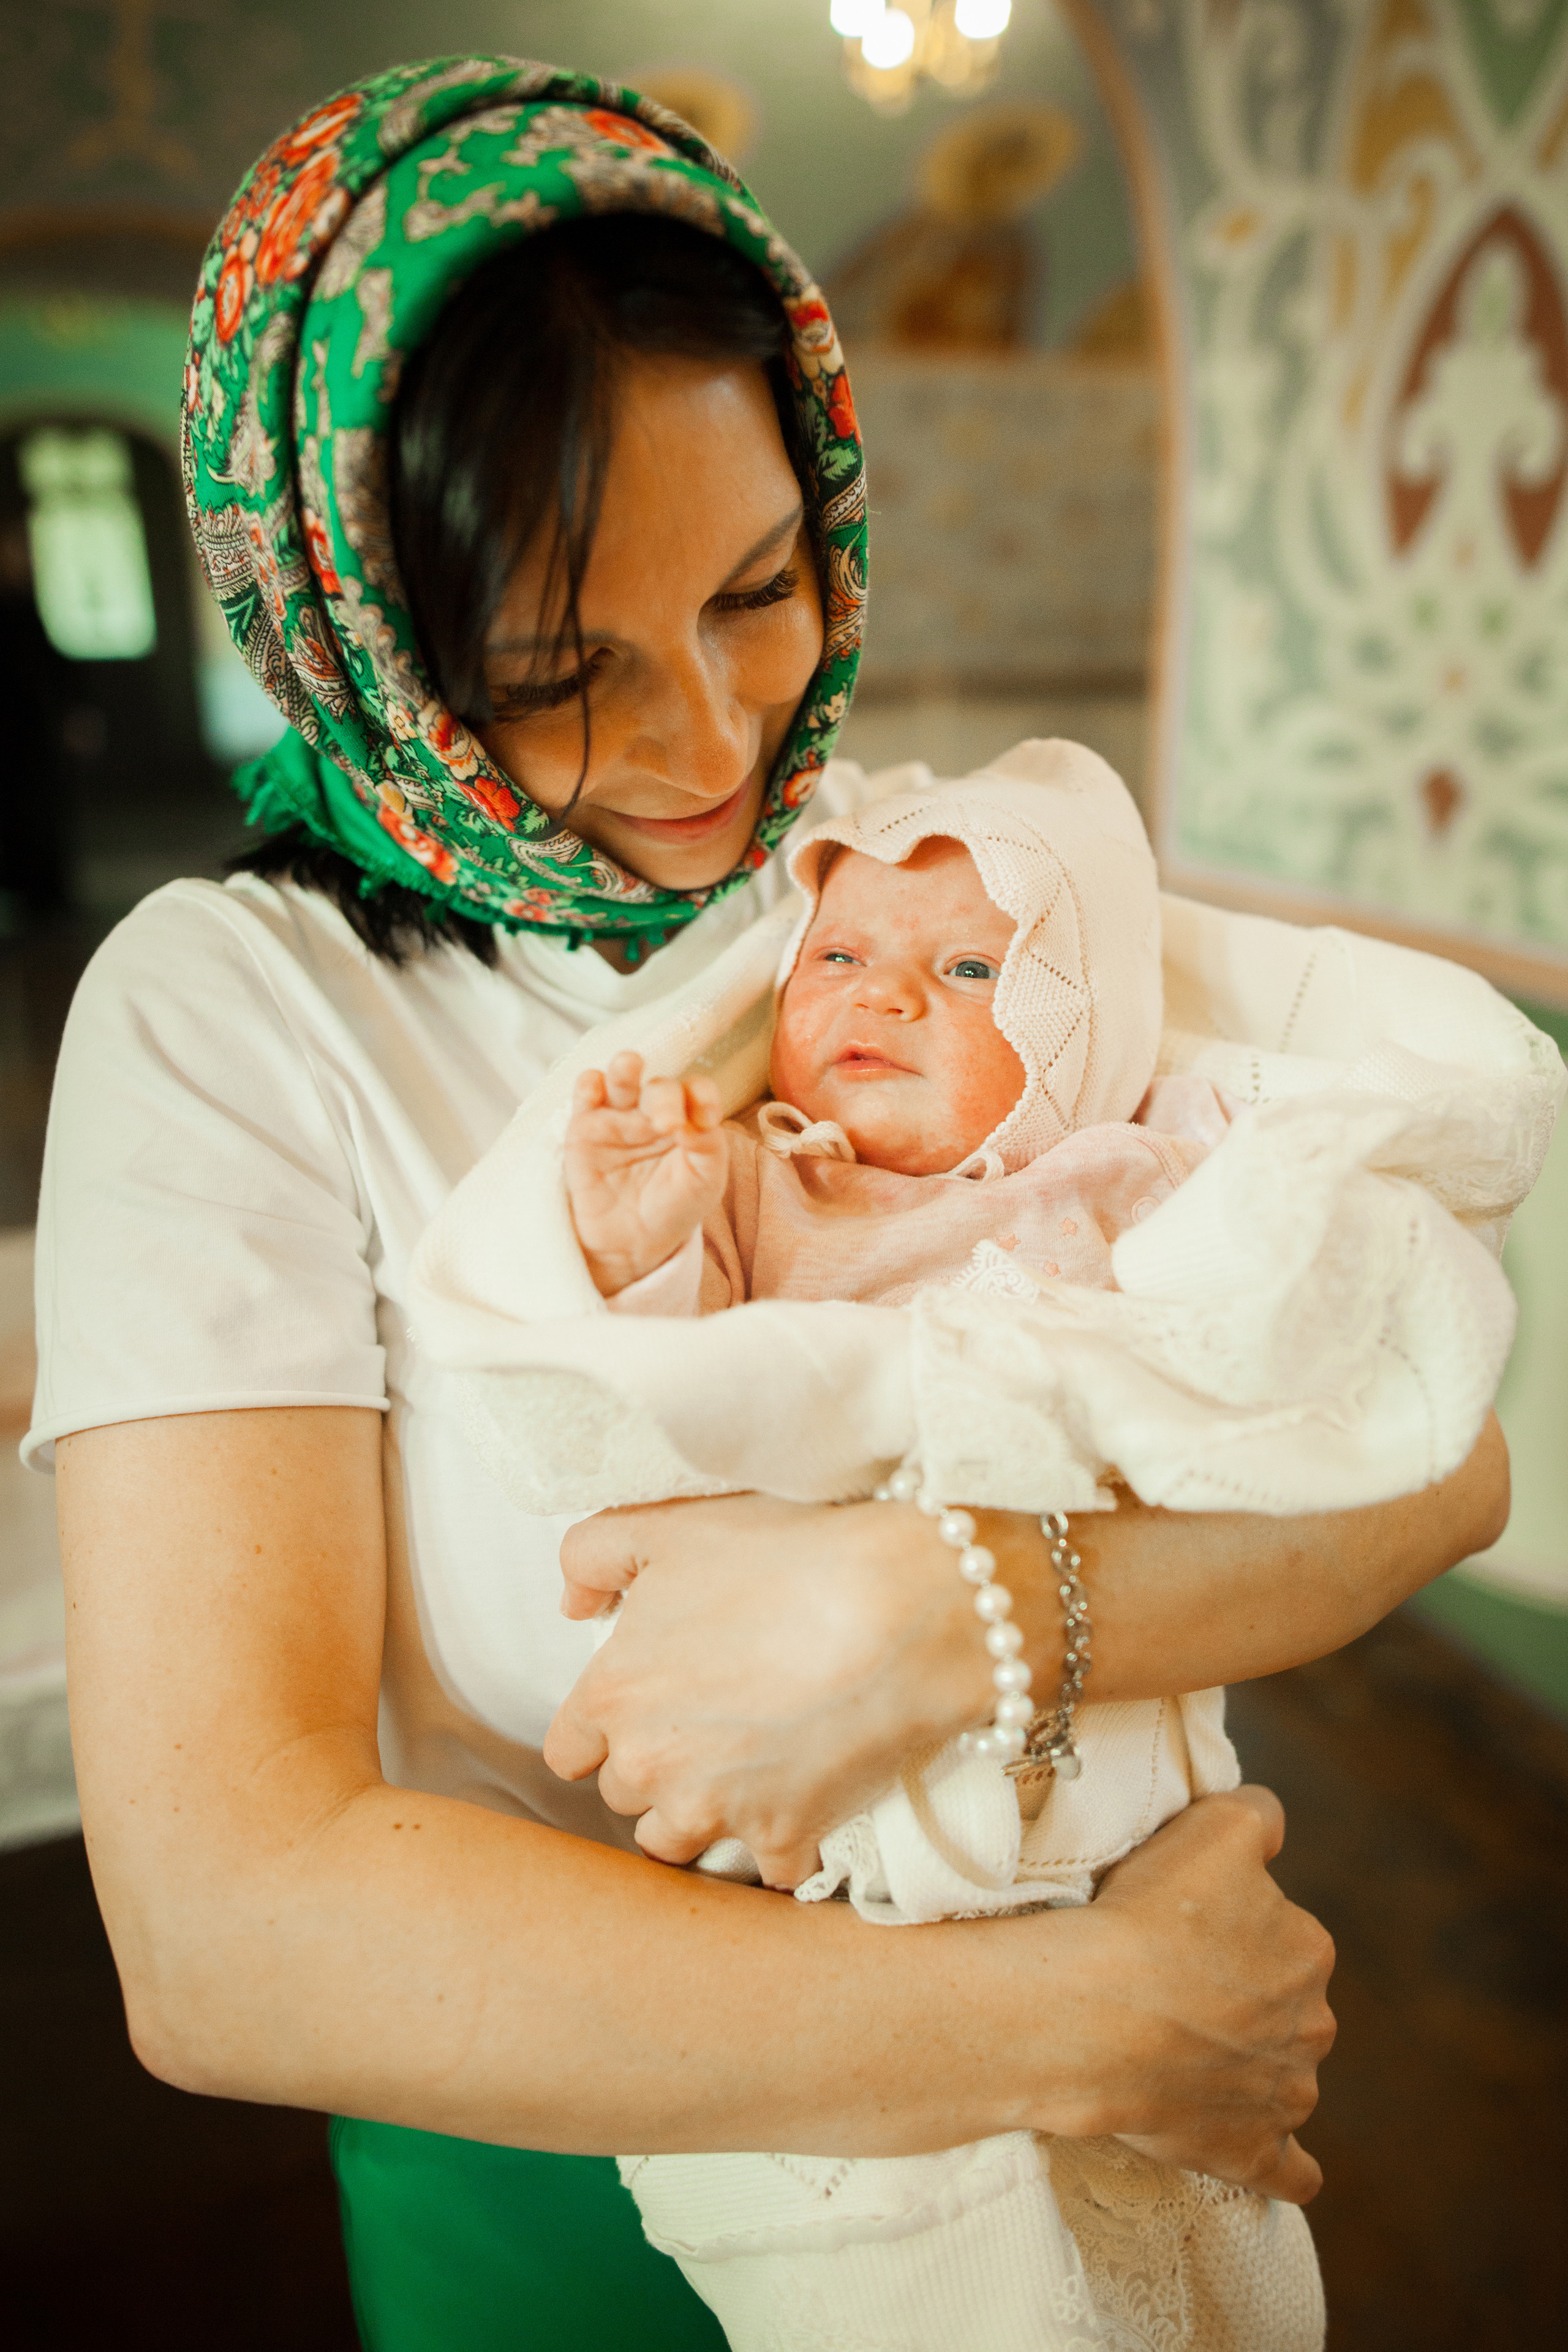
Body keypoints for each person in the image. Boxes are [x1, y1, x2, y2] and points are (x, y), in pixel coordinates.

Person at [31, 59, 1507, 2352]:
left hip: (1122, 2123)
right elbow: (234, 1928)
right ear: (363, 637)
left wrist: (946, 1617)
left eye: (758, 588)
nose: (723, 746)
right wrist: (1098, 2020)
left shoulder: (927, 876)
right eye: (556, 676)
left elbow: (1432, 1432)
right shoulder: (232, 1019)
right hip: (565, 2196)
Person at [407, 750, 1548, 2350]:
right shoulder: (765, 1185)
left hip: (1096, 1799)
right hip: (820, 1846)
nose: (880, 998)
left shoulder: (1113, 1174)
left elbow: (1240, 1354)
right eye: (839, 957)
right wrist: (630, 1233)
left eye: (967, 967)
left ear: (1095, 1027)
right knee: (896, 2239)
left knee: (1170, 2227)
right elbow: (653, 1393)